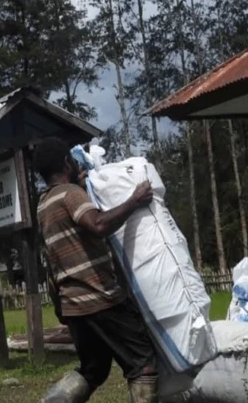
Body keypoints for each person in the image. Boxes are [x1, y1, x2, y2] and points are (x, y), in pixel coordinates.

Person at [33, 137, 159, 403]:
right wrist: (135, 200)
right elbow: (98, 224)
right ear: (66, 162)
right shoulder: (70, 194)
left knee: (94, 370)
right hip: (100, 297)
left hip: (74, 306)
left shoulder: (44, 204)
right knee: (142, 365)